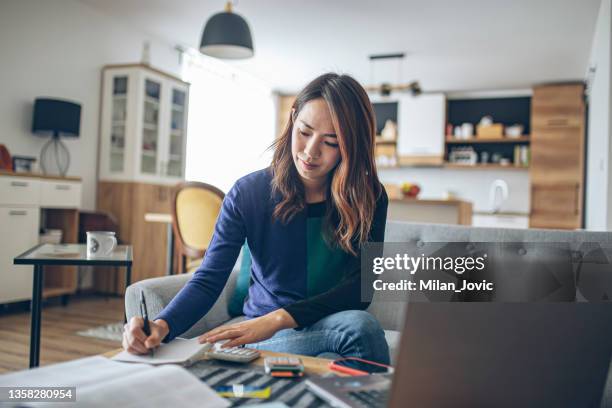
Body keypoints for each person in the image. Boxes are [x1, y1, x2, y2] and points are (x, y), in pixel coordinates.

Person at [122, 73, 390, 363]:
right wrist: (161, 326)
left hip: (324, 323)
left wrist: (277, 318)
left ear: (351, 146)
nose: (311, 152)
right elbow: (209, 279)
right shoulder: (249, 193)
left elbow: (360, 290)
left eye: (331, 142)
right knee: (358, 333)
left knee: (359, 329)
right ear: (292, 118)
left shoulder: (369, 197)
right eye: (304, 132)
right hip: (268, 335)